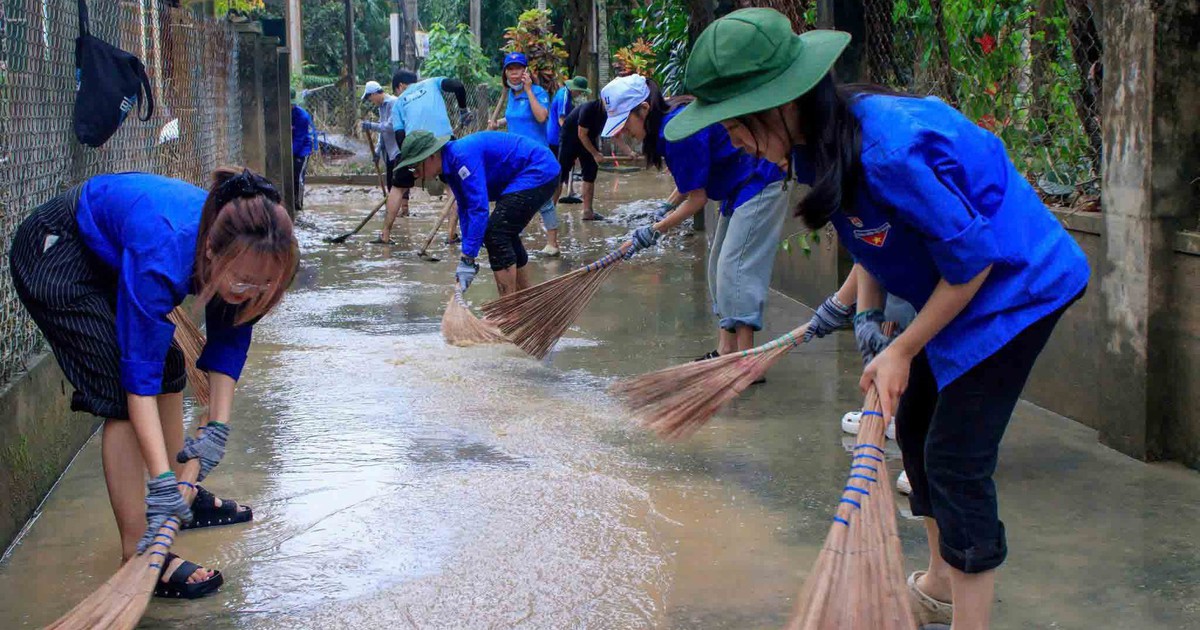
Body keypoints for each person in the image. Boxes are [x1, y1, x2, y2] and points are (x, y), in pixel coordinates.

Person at [665, 9, 1090, 628]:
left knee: (956, 458)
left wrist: (903, 347)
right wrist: (860, 312)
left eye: (735, 127)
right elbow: (876, 238)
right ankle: (941, 583)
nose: (733, 142)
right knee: (915, 427)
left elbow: (972, 264)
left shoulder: (889, 150)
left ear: (778, 104)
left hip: (1018, 288)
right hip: (961, 285)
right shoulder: (815, 145)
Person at [8, 168, 298, 599]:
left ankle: (184, 488)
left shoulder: (253, 250)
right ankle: (139, 549)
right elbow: (136, 383)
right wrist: (158, 480)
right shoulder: (164, 252)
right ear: (211, 252)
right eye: (240, 282)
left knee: (170, 365)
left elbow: (231, 338)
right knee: (118, 393)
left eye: (263, 286)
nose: (250, 292)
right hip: (58, 252)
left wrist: (216, 428)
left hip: (114, 255)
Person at [600, 74, 787, 366]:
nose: (624, 133)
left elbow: (697, 200)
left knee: (736, 269)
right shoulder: (669, 125)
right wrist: (664, 208)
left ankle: (748, 364)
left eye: (626, 123)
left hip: (760, 180)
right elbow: (689, 185)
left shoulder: (677, 133)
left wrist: (653, 231)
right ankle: (726, 350)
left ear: (644, 110)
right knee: (717, 268)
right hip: (736, 188)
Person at [396, 130, 558, 297]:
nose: (416, 174)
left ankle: (508, 309)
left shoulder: (462, 158)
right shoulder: (450, 166)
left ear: (431, 156)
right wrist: (466, 256)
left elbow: (479, 209)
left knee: (496, 233)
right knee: (505, 232)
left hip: (539, 169)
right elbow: (465, 208)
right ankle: (525, 298)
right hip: (530, 173)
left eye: (416, 167)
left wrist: (469, 257)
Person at [488, 52, 561, 257]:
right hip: (514, 157)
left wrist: (529, 90)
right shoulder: (510, 95)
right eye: (510, 69)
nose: (514, 74)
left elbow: (540, 117)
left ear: (525, 71)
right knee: (511, 195)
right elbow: (515, 117)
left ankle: (553, 243)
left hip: (536, 156)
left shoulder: (538, 92)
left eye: (518, 69)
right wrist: (498, 123)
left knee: (544, 201)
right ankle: (511, 235)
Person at [391, 69, 472, 242]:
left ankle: (384, 234)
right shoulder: (432, 82)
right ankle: (451, 234)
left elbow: (400, 136)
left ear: (400, 87)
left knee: (397, 188)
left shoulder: (398, 103)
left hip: (416, 147)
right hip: (444, 141)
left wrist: (407, 161)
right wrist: (463, 111)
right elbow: (458, 85)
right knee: (453, 188)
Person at [360, 80, 407, 243]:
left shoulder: (393, 103)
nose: (371, 101)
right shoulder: (381, 107)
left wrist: (370, 125)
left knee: (398, 185)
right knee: (390, 184)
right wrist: (378, 151)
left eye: (370, 98)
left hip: (398, 149)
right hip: (389, 150)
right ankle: (392, 212)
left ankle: (401, 211)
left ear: (375, 94)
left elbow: (389, 126)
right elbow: (382, 132)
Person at [555, 97, 609, 221]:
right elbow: (581, 134)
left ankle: (587, 212)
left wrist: (629, 151)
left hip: (588, 138)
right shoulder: (589, 108)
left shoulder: (611, 112)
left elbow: (615, 134)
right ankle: (548, 212)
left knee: (591, 172)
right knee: (560, 174)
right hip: (570, 136)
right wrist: (595, 154)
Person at [547, 76, 591, 159]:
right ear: (574, 89)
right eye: (580, 92)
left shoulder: (566, 93)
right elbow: (561, 120)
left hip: (559, 136)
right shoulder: (563, 97)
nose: (580, 94)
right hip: (556, 136)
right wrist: (572, 135)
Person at [290, 88, 315, 212]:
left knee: (298, 175)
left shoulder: (302, 117)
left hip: (301, 150)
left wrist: (288, 154)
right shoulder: (281, 113)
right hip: (290, 148)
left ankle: (298, 204)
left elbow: (299, 140)